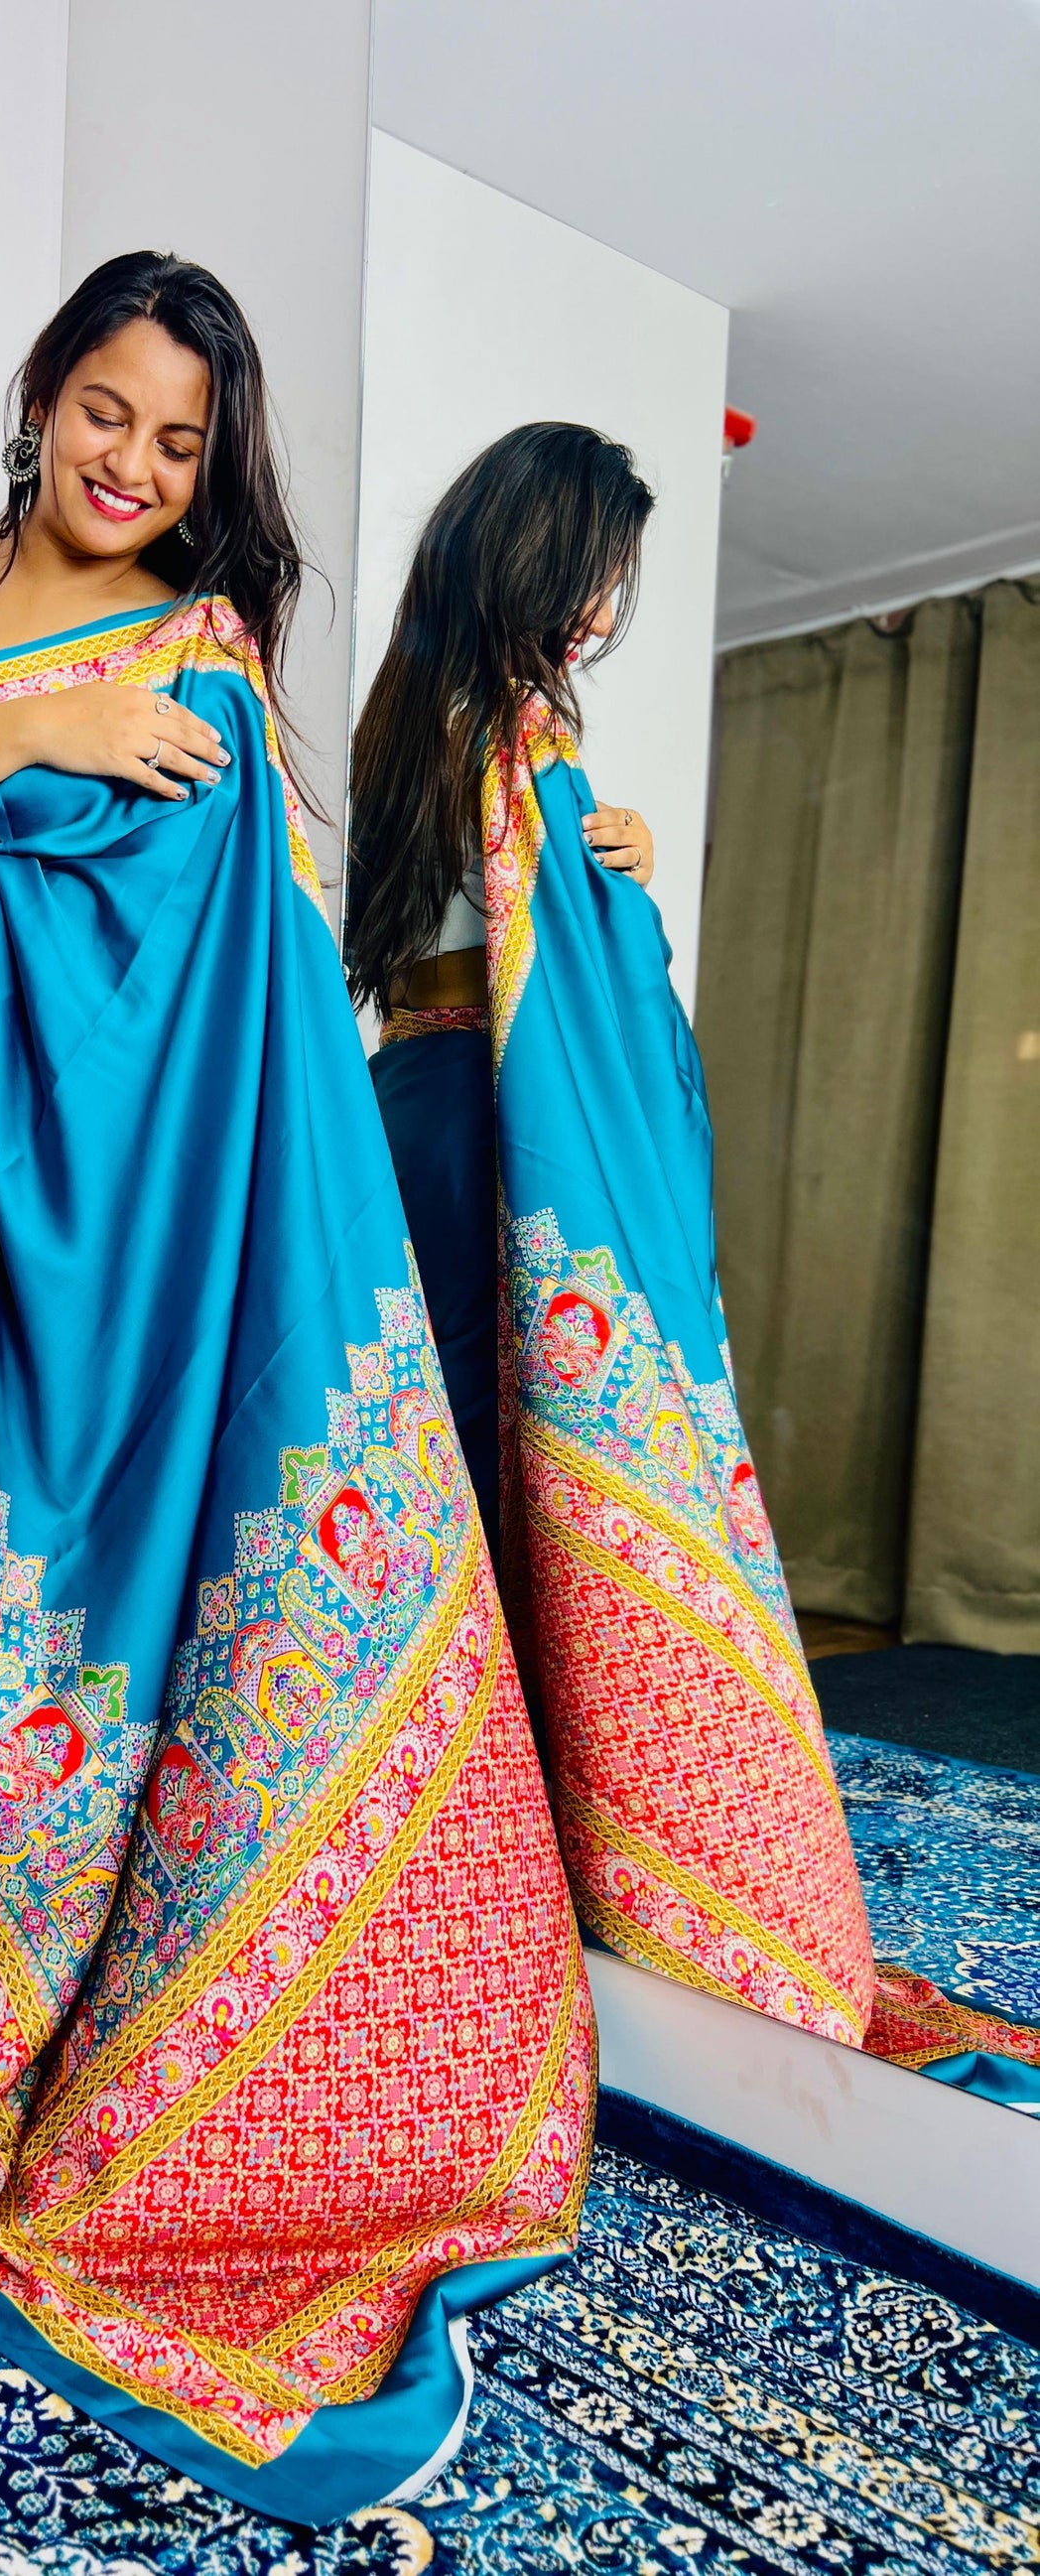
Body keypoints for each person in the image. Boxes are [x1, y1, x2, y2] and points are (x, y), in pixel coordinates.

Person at [0, 257, 592, 2525]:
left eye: (180, 442)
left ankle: (35, 2015)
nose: (132, 463)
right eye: (107, 410)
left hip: (104, 1247)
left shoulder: (198, 654)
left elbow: (207, 985)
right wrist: (34, 734)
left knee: (65, 1628)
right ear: (42, 395)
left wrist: (120, 759)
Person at [347, 423, 1040, 2102]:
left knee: (454, 1474)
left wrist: (622, 875)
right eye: (584, 575)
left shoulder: (433, 727)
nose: (599, 613)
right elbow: (530, 961)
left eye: (615, 585)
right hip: (492, 1125)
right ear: (517, 553)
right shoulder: (494, 731)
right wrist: (606, 894)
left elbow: (462, 940)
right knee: (500, 1468)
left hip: (423, 1107)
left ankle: (466, 1836)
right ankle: (520, 1856)